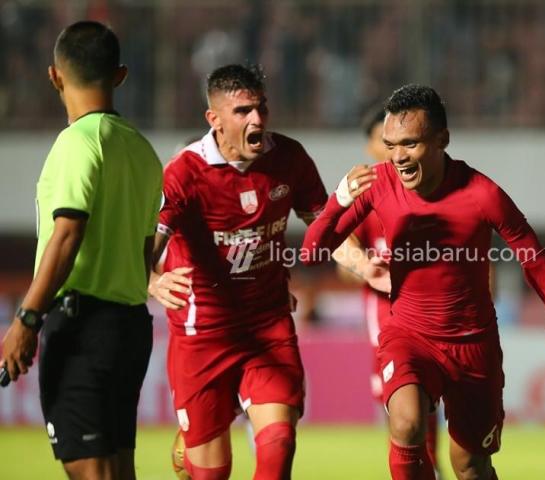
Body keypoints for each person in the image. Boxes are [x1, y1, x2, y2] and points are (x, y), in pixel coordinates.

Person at [301, 84, 545, 480]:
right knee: (406, 426)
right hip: (408, 334)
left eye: (410, 144)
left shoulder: (483, 194)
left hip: (473, 345)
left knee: (470, 465)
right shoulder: (379, 184)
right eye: (391, 145)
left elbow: (537, 261)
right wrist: (338, 199)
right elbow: (312, 253)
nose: (398, 157)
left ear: (442, 139)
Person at [148, 63, 383, 480]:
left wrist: (367, 266)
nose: (257, 119)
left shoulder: (288, 159)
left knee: (278, 449)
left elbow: (323, 226)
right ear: (214, 120)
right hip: (201, 337)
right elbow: (144, 247)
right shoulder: (184, 174)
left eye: (261, 108)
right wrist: (151, 278)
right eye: (242, 111)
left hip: (266, 327)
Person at [0, 21, 162, 480]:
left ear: (54, 76)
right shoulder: (143, 152)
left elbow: (66, 235)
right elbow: (144, 250)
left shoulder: (76, 144)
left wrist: (27, 318)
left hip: (82, 326)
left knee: (90, 470)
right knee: (117, 468)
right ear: (121, 75)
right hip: (130, 328)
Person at [336, 106, 441, 476]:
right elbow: (340, 255)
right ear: (371, 148)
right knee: (402, 411)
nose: (397, 149)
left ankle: (432, 467)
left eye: (405, 140)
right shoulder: (366, 196)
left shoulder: (432, 189)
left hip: (434, 318)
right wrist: (368, 268)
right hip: (386, 325)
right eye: (386, 141)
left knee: (430, 408)